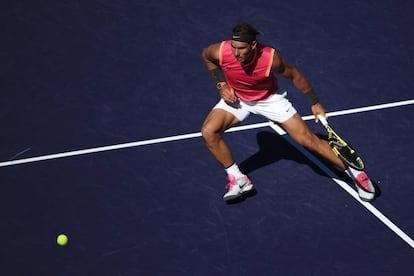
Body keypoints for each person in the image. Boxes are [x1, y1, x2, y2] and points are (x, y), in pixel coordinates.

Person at [201, 22, 376, 203]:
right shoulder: (221, 51)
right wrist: (221, 85)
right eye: (234, 48)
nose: (237, 54)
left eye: (242, 49)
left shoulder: (270, 58)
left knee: (308, 141)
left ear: (253, 45)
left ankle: (357, 172)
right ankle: (238, 179)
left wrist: (314, 102)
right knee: (209, 132)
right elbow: (206, 56)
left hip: (269, 101)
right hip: (237, 98)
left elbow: (294, 75)